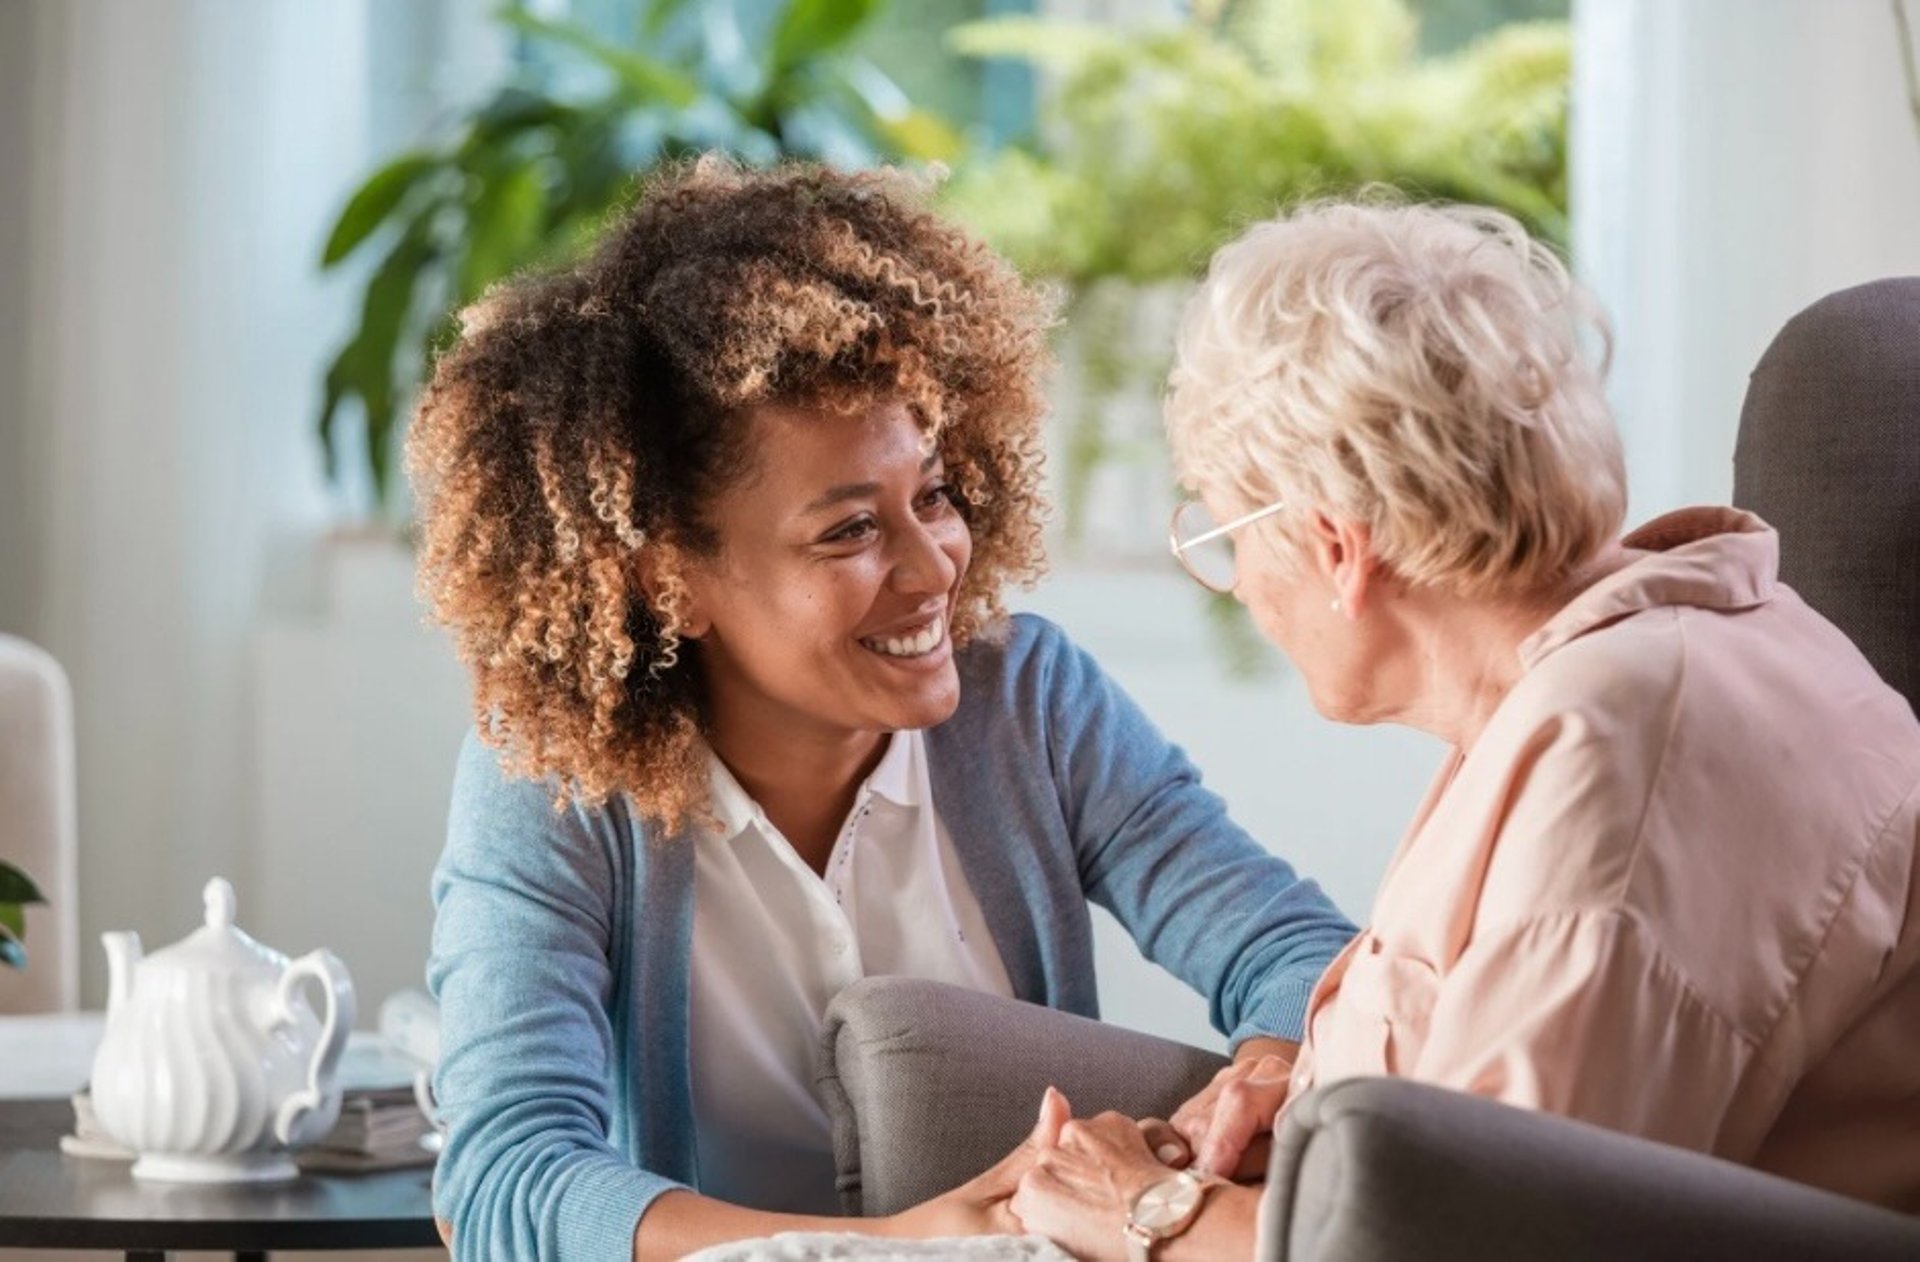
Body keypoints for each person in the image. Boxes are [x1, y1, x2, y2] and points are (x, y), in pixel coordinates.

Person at [409, 158, 1357, 1261]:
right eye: (849, 530)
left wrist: (1260, 1080)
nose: (933, 567)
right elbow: (505, 1174)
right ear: (671, 580)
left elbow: (1293, 949)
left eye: (935, 495)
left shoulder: (1029, 699)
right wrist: (890, 1246)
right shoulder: (556, 775)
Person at [1009, 199, 1920, 1259]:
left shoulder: (1619, 754)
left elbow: (1489, 1235)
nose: (1243, 587)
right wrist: (1298, 1106)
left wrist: (1150, 1214)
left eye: (1225, 532)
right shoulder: (1625, 670)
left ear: (1336, 545)